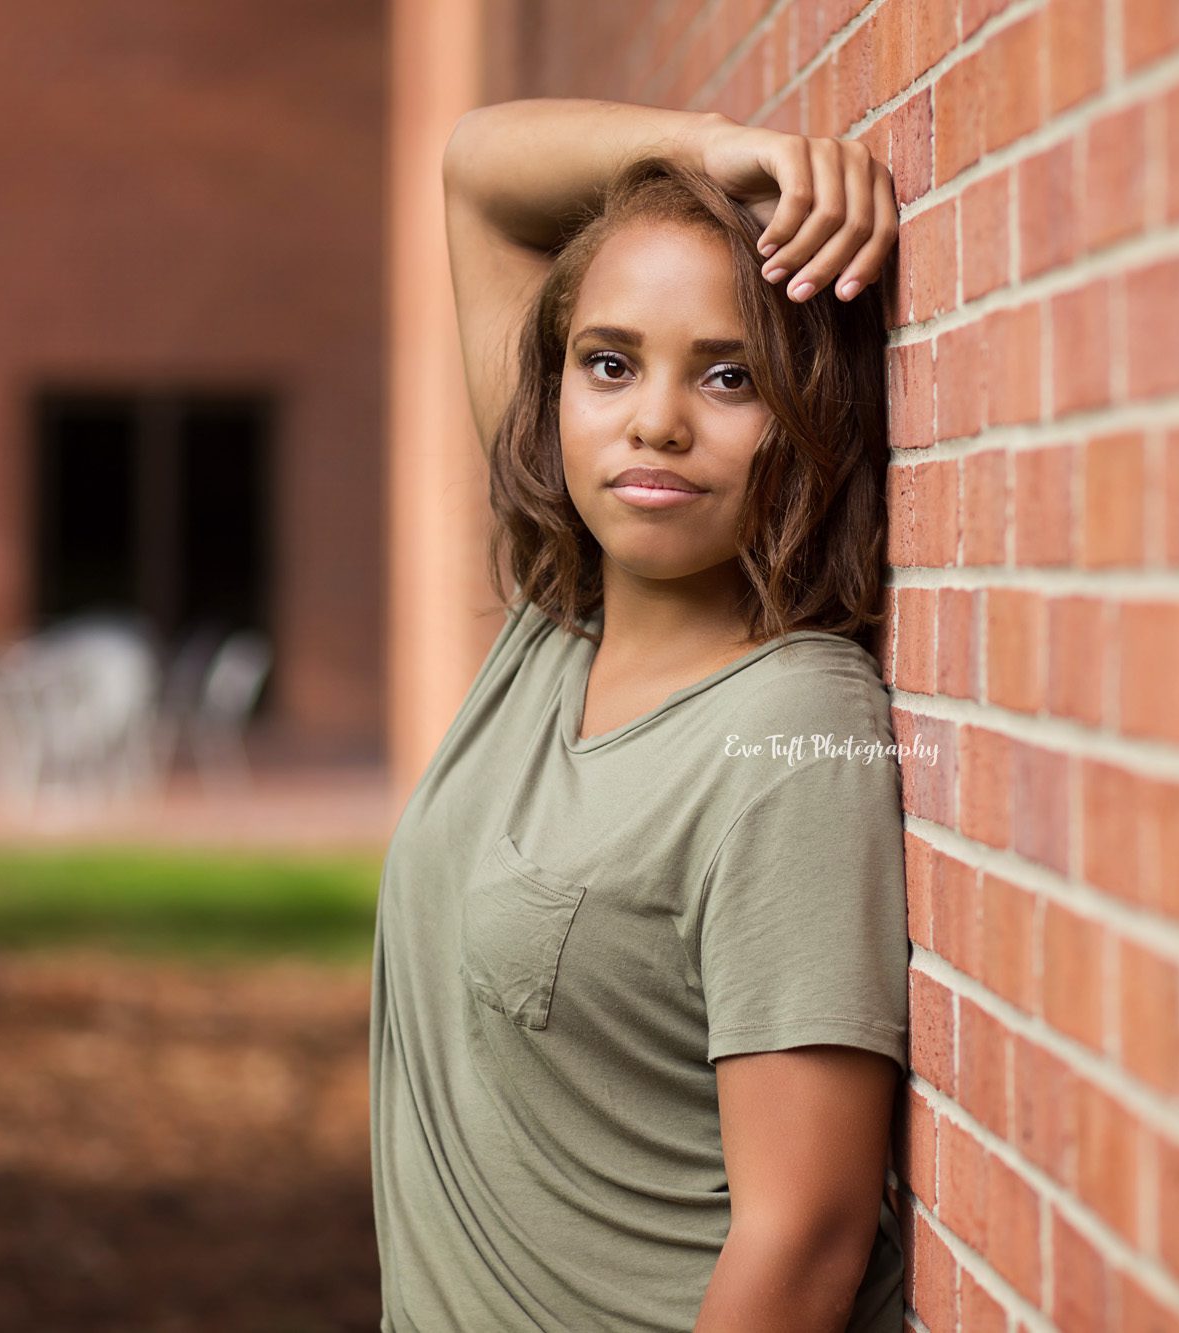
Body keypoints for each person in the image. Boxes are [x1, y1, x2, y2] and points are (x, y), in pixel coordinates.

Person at [368, 96, 912, 1332]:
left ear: (811, 411)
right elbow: (477, 174)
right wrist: (715, 152)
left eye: (729, 376)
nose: (652, 420)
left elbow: (806, 1239)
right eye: (608, 363)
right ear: (555, 388)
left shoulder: (789, 741)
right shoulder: (558, 620)